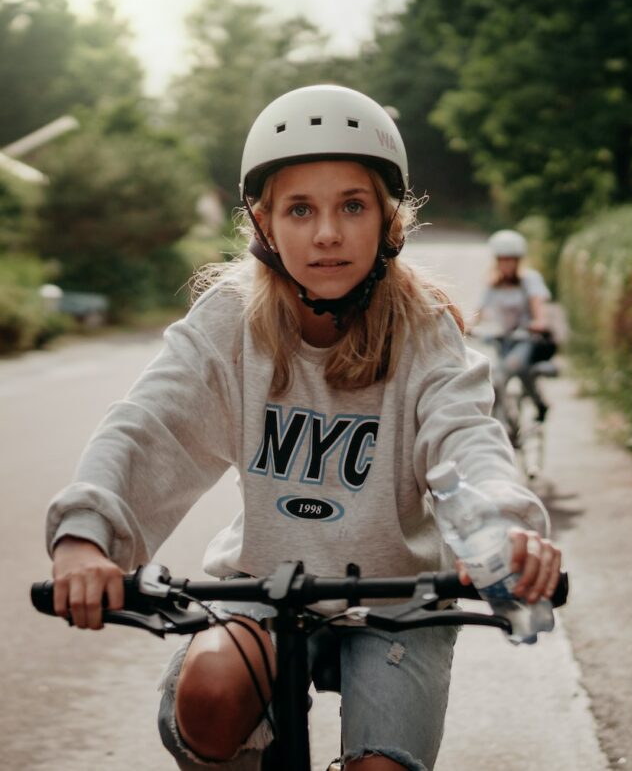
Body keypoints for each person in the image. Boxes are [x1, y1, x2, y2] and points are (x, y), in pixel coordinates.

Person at [46, 85, 562, 771]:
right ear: (264, 224)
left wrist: (503, 528)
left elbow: (468, 439)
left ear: (389, 221)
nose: (327, 232)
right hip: (264, 583)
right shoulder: (231, 322)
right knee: (210, 691)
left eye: (352, 205)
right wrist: (87, 538)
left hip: (401, 597)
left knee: (381, 768)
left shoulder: (424, 330)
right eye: (300, 209)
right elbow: (150, 425)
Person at [475, 229, 553, 433]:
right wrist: (466, 327)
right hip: (504, 339)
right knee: (496, 377)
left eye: (511, 260)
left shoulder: (530, 280)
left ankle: (540, 404)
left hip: (527, 338)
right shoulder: (493, 285)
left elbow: (539, 308)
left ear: (518, 261)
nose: (507, 264)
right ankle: (502, 421)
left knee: (512, 370)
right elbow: (479, 312)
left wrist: (539, 322)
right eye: (503, 259)